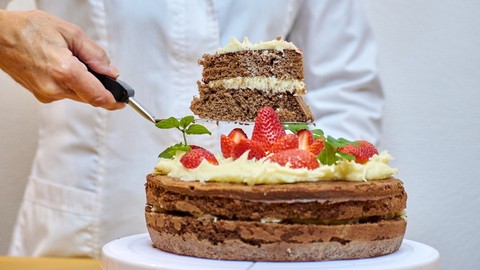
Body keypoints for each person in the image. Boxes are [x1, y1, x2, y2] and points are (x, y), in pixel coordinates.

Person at [0, 0, 384, 258]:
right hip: (90, 222)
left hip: (266, 237)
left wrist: (302, 210)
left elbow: (343, 86)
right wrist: (4, 33)